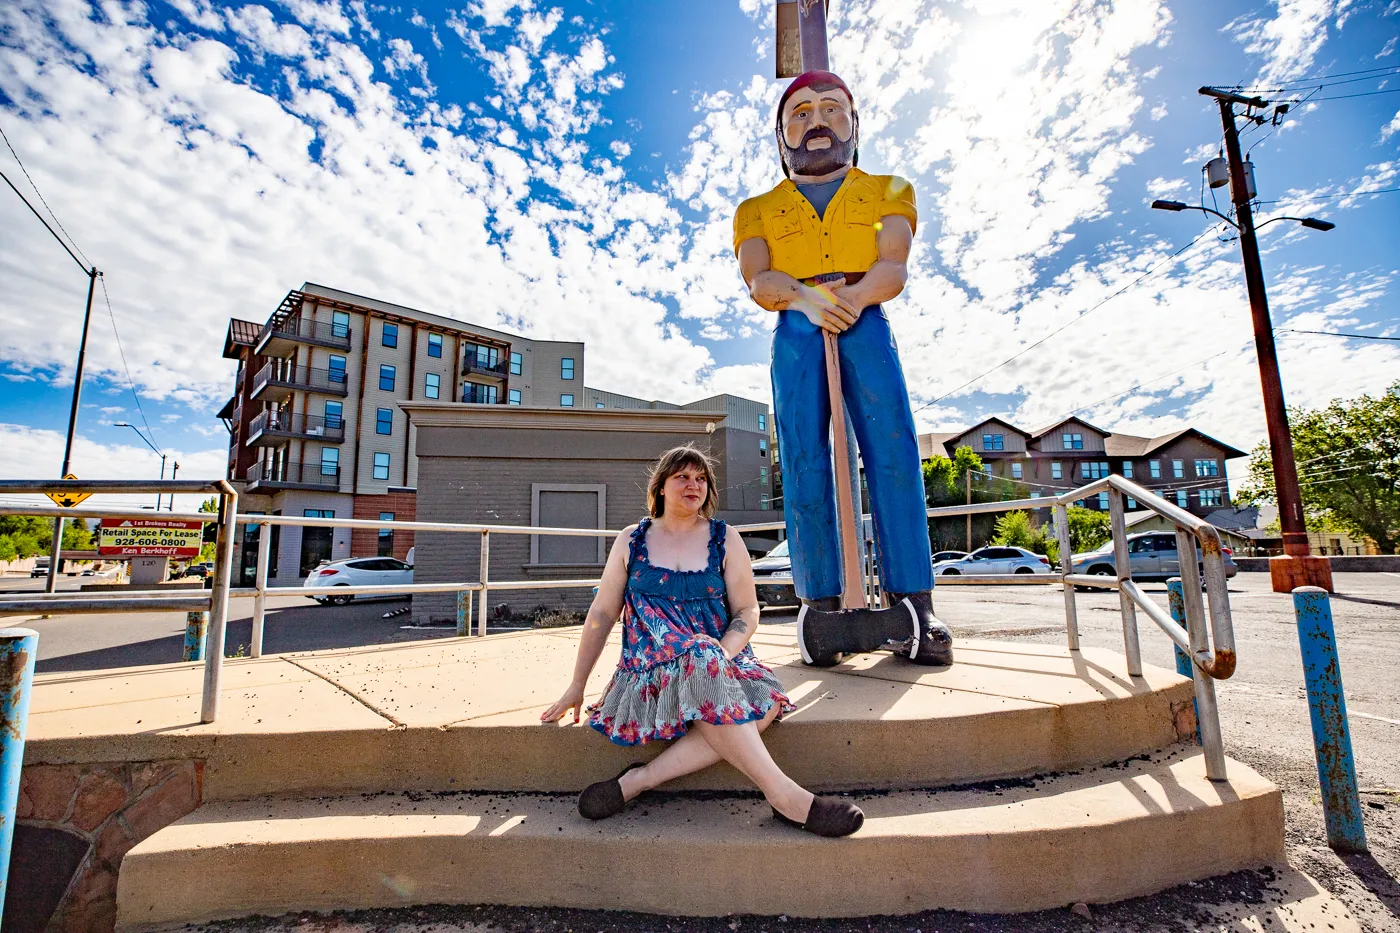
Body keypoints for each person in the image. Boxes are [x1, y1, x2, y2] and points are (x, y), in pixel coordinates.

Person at [732, 69, 952, 666]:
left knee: (894, 450)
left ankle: (914, 600)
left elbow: (894, 266)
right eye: (799, 114)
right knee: (803, 459)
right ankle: (819, 602)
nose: (816, 122)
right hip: (799, 328)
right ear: (782, 137)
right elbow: (760, 278)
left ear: (854, 124)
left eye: (830, 109)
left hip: (866, 318)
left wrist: (851, 300)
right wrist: (808, 301)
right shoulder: (757, 209)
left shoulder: (889, 189)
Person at [540, 445, 863, 837]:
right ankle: (786, 798)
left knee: (762, 704)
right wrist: (577, 684)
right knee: (714, 674)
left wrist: (723, 654)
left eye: (701, 478)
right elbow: (602, 614)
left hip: (720, 659)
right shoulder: (631, 541)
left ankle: (637, 781)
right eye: (682, 477)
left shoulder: (725, 539)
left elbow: (747, 610)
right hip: (650, 669)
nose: (694, 484)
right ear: (660, 487)